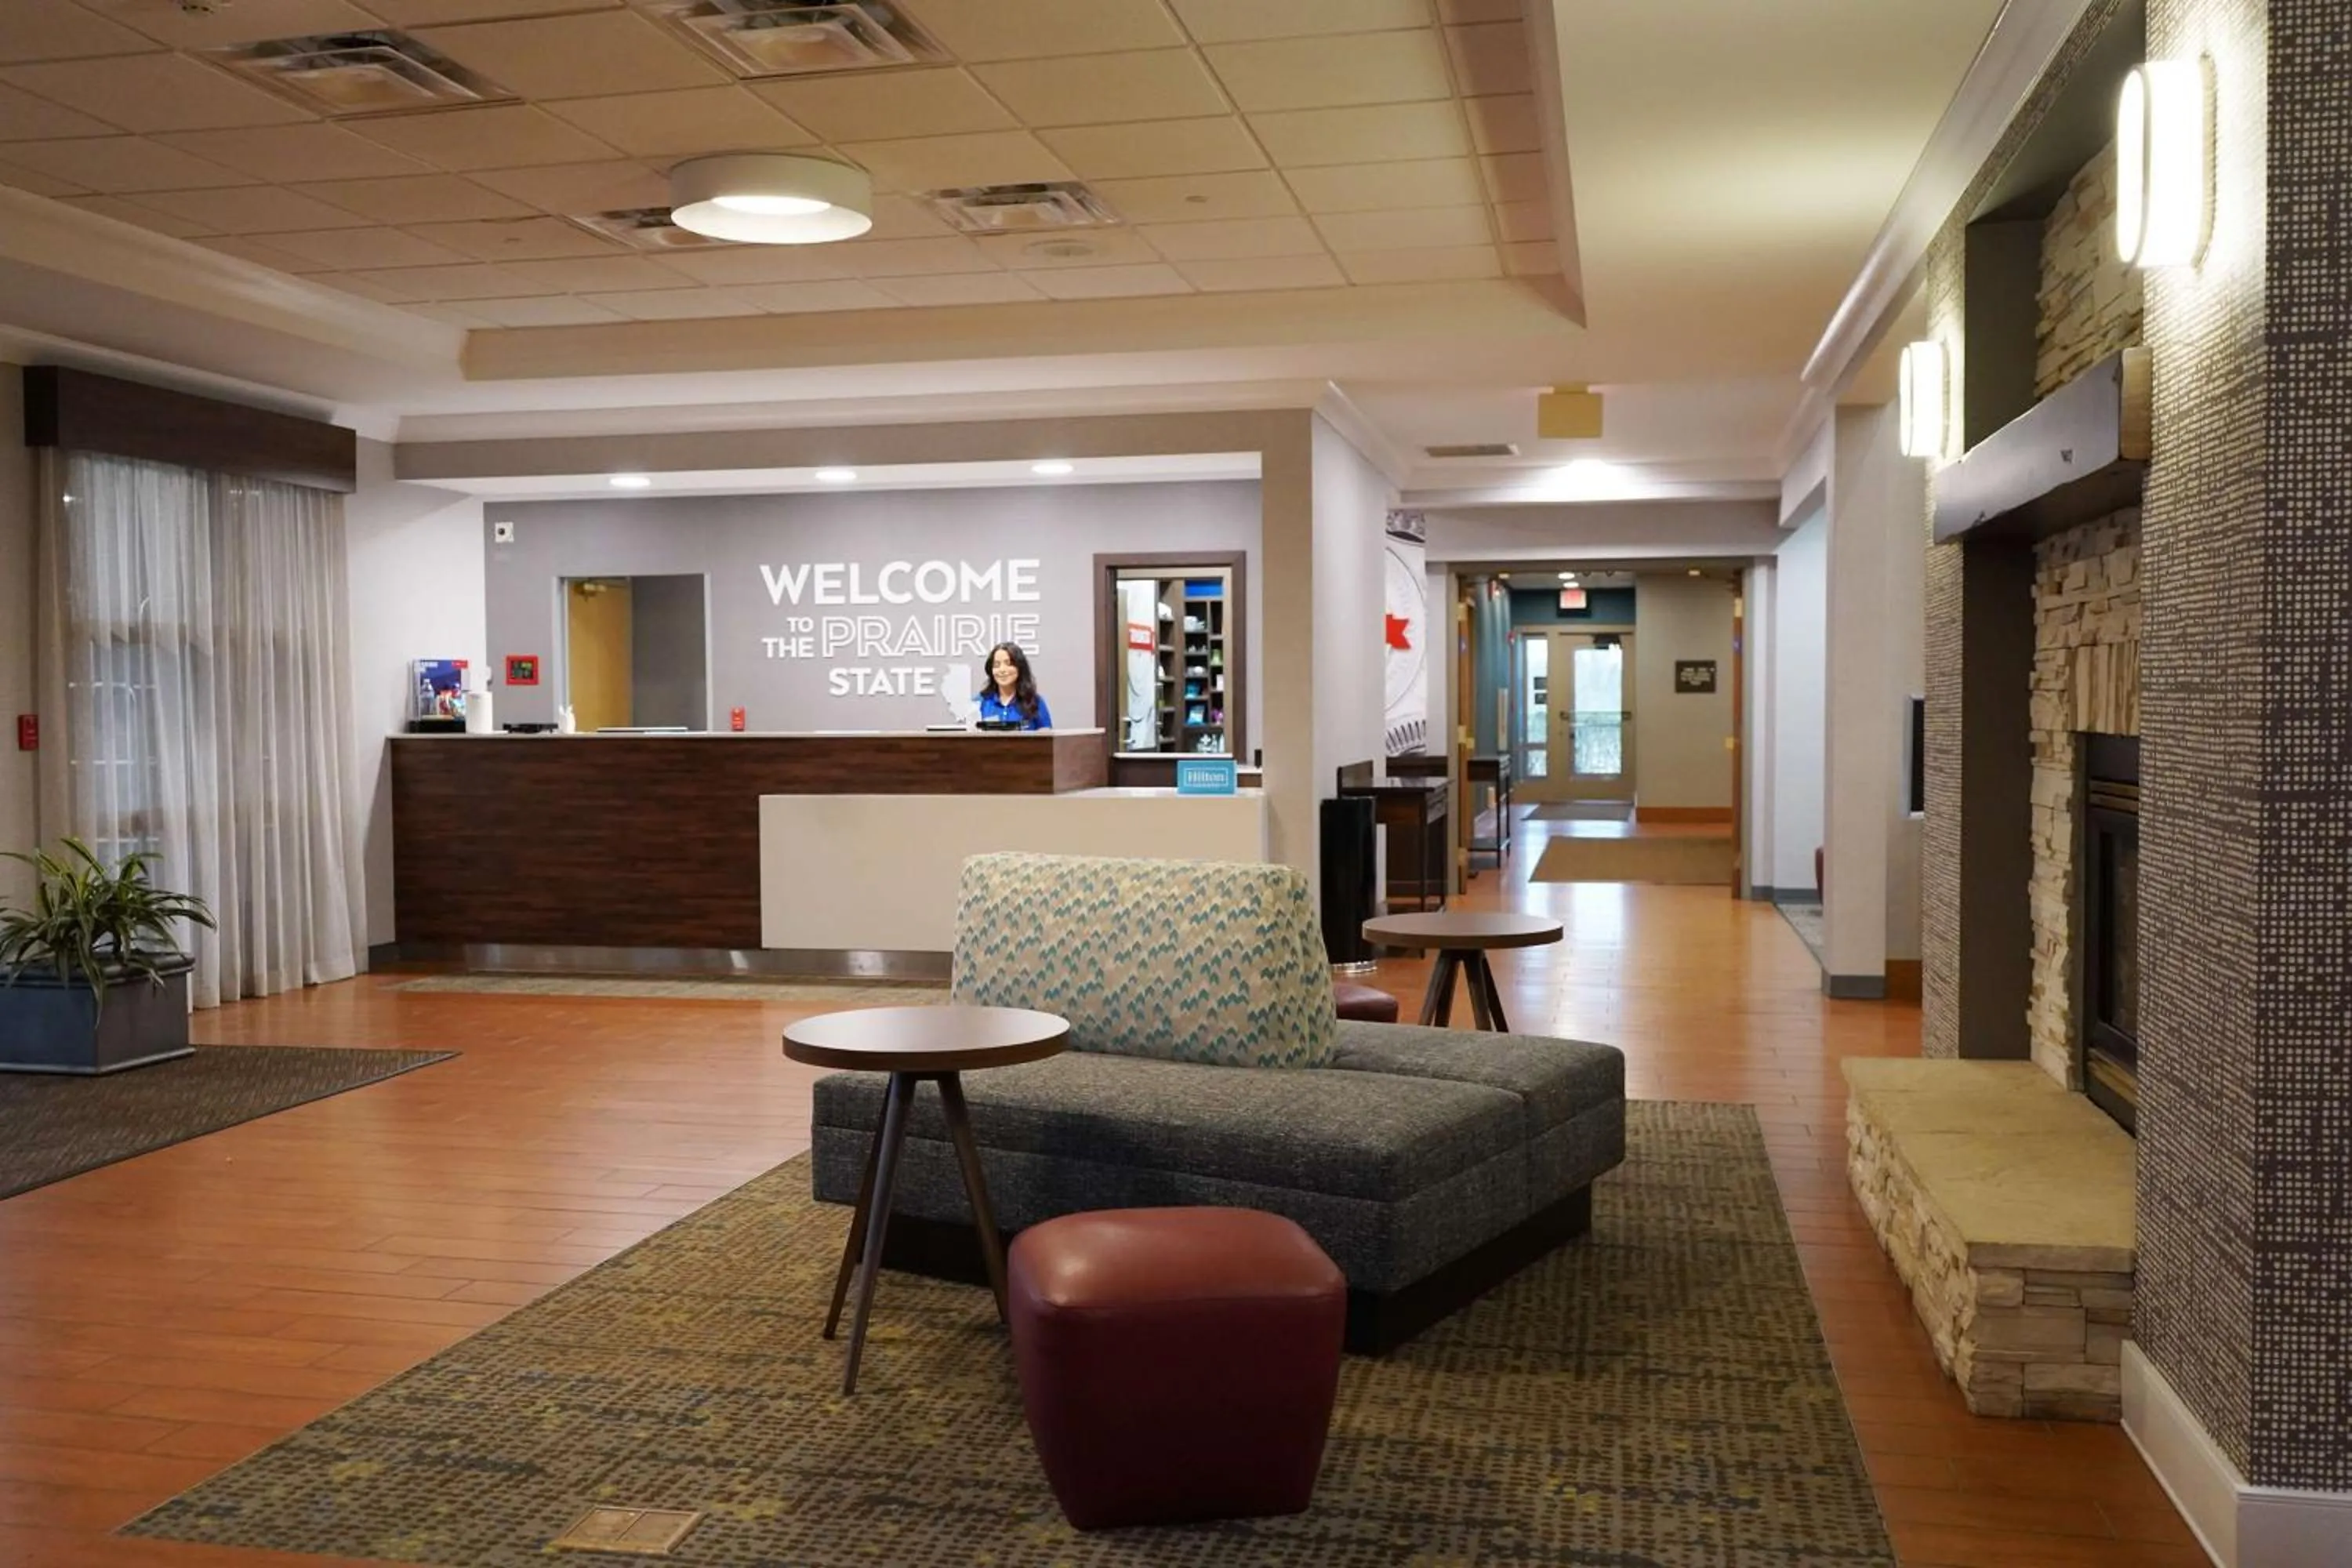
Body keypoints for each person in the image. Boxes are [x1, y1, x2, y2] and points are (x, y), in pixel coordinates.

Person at [977, 641, 1053, 729]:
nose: (1002, 670)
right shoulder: (980, 702)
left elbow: (1046, 734)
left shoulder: (1034, 702)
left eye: (1008, 664)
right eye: (997, 665)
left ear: (1019, 667)